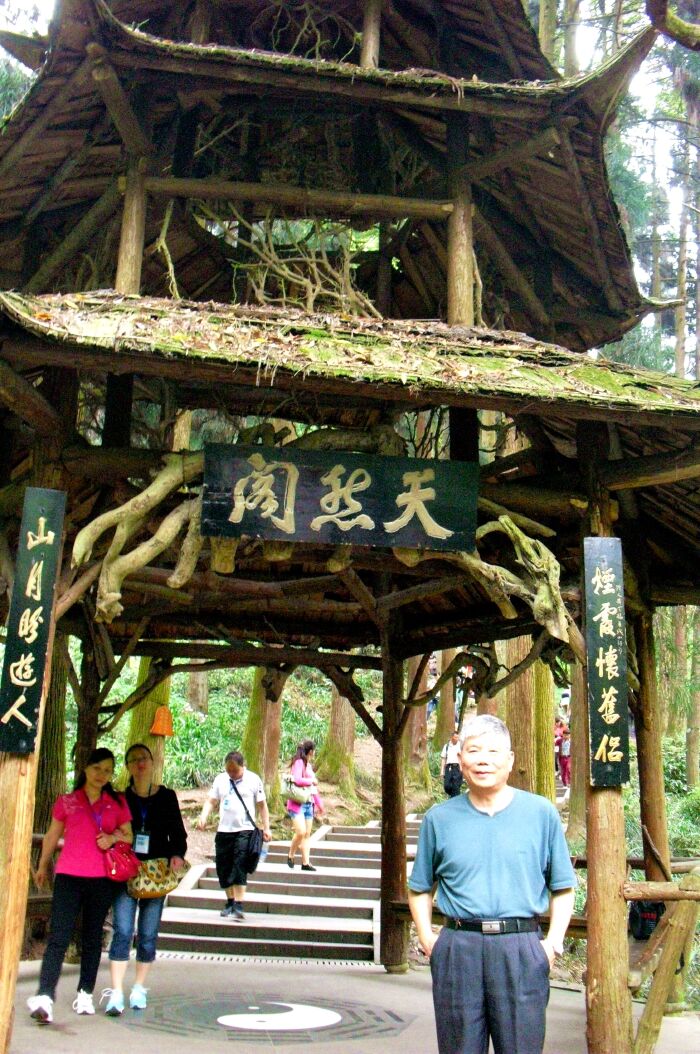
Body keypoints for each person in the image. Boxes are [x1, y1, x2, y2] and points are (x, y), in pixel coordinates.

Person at [408, 714, 576, 1054]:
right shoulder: (439, 819)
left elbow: (562, 887)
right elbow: (420, 887)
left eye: (493, 751)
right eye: (474, 751)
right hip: (459, 947)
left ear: (510, 760)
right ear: (460, 759)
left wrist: (552, 944)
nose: (483, 760)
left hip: (521, 947)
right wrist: (427, 938)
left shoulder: (541, 814)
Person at [27, 747, 133, 1025]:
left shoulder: (117, 802)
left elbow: (129, 836)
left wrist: (112, 838)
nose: (101, 775)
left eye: (108, 770)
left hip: (101, 878)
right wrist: (42, 865)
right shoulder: (68, 801)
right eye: (97, 768)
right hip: (68, 876)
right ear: (85, 768)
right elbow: (52, 835)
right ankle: (45, 996)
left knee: (92, 936)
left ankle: (85, 992)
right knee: (59, 936)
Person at [101, 742, 188, 1016]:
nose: (140, 763)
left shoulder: (167, 797)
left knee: (148, 933)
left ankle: (139, 987)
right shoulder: (120, 798)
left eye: (145, 758)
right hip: (126, 870)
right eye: (134, 759)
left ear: (152, 763)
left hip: (156, 873)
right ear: (127, 767)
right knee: (123, 929)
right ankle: (116, 991)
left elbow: (178, 833)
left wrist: (177, 855)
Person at [196, 750, 271, 920]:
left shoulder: (253, 780)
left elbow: (262, 805)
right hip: (224, 830)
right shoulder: (221, 780)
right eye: (228, 770)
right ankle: (230, 901)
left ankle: (239, 903)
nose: (231, 773)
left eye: (235, 770)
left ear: (243, 766)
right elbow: (211, 801)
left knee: (240, 864)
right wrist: (203, 816)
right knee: (223, 867)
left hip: (245, 829)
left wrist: (267, 828)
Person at [286, 739, 324, 871]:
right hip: (297, 803)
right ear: (311, 751)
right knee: (301, 832)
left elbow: (313, 789)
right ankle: (291, 854)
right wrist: (311, 780)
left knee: (307, 834)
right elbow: (297, 779)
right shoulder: (299, 762)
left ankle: (305, 863)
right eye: (314, 750)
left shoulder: (308, 766)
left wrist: (320, 805)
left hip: (309, 803)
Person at [440, 729, 463, 797]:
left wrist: (461, 755)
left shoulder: (461, 746)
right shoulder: (446, 746)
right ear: (452, 737)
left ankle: (454, 800)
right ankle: (453, 797)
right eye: (455, 737)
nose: (457, 739)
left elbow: (466, 757)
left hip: (458, 768)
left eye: (458, 737)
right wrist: (442, 771)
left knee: (456, 787)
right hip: (449, 768)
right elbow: (443, 759)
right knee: (446, 786)